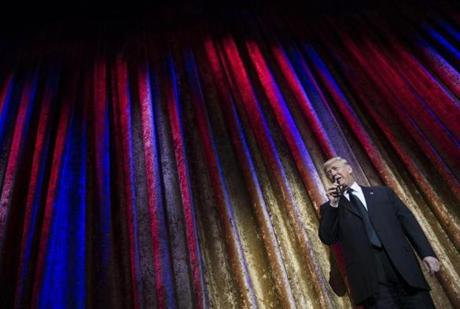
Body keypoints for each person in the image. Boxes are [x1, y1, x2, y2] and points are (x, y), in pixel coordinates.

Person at [318, 157, 440, 308]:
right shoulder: (330, 208)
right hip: (370, 281)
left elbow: (409, 224)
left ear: (349, 169)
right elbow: (327, 237)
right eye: (329, 172)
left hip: (405, 271)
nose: (332, 173)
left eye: (335, 168)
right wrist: (334, 203)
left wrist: (427, 253)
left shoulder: (383, 193)